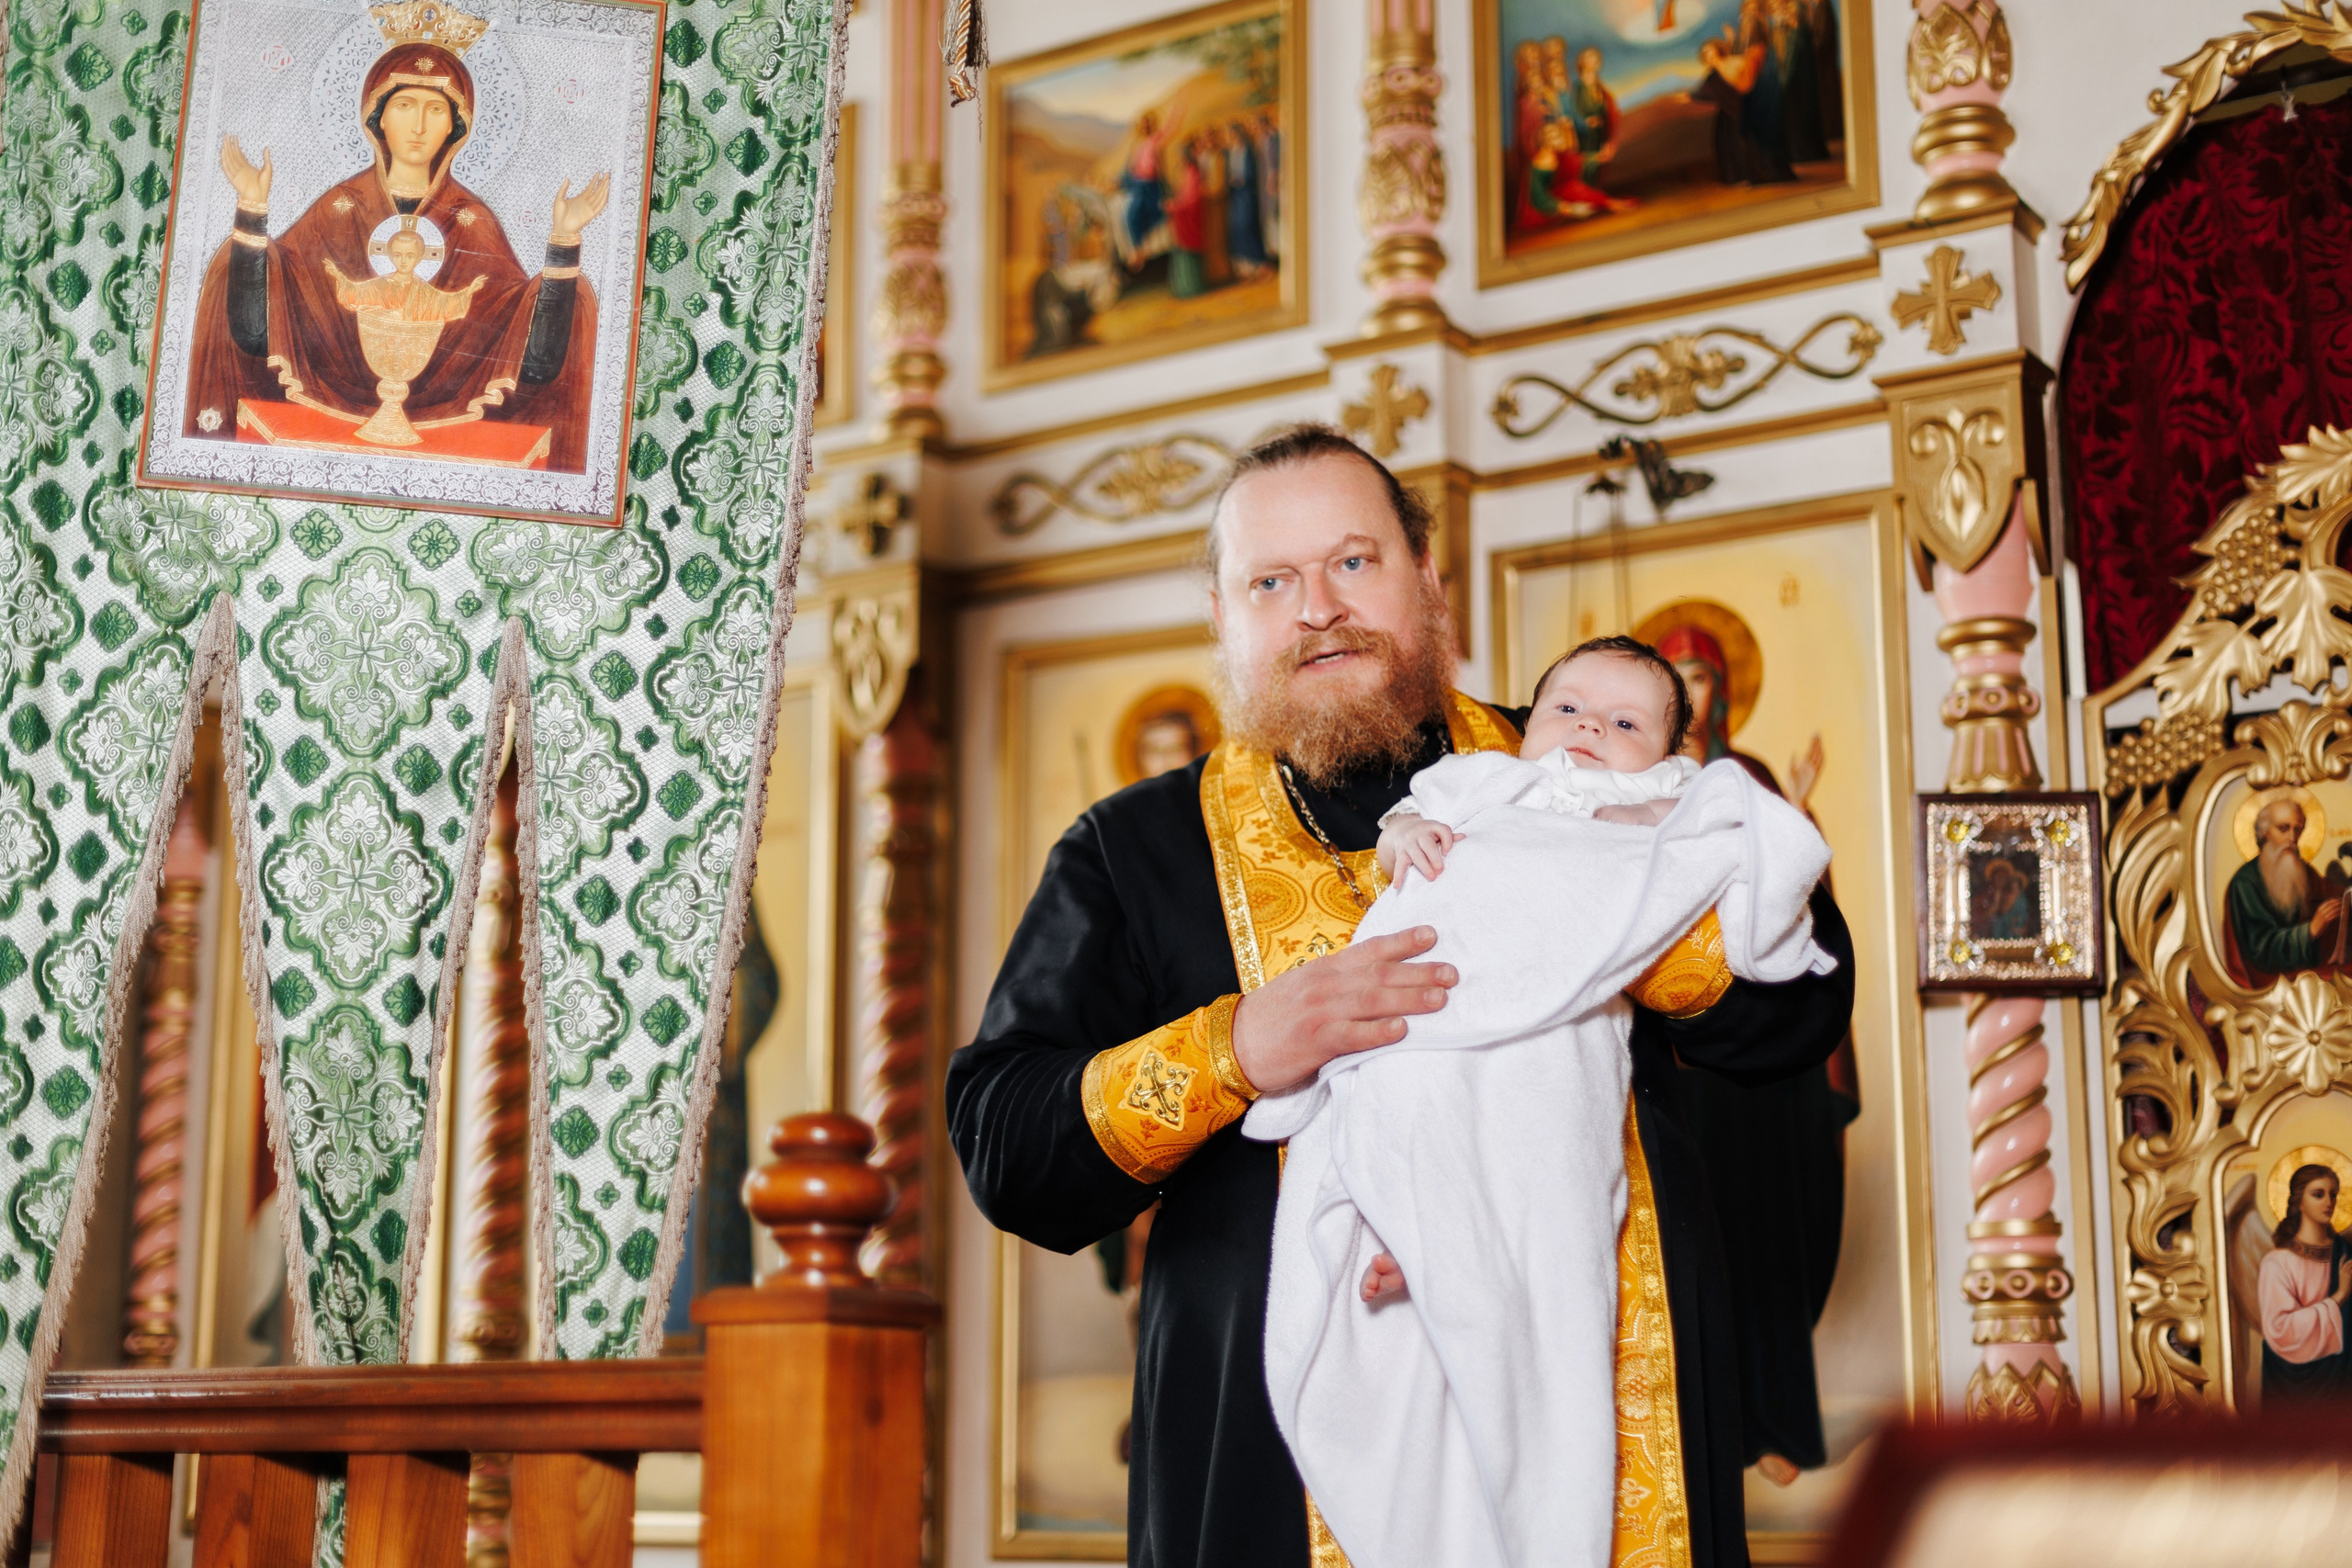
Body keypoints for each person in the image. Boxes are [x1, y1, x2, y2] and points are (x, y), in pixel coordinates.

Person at [947, 423, 1857, 1568]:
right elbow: (1004, 1145)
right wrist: (1238, 1048)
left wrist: (1601, 904)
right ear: (1225, 623)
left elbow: (1797, 1012)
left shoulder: (1593, 775)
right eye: (1270, 581)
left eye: (1353, 563)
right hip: (1269, 1469)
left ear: (1428, 584)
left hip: (1592, 1375)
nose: (1316, 607)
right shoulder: (1132, 850)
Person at [1242, 636, 1831, 1567]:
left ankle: (1535, 1511)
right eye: (1566, 710)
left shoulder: (1664, 803)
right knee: (1396, 1140)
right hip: (1423, 1036)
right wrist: (1406, 837)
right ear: (1530, 724)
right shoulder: (1480, 782)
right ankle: (1405, 1231)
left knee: (1539, 1251)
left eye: (1624, 722)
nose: (1589, 729)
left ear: (1671, 756)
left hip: (1546, 1052)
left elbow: (1749, 852)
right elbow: (1410, 822)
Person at [184, 22, 608, 468]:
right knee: (232, 255)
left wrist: (564, 241)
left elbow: (535, 362)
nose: (420, 125)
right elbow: (255, 333)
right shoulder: (337, 209)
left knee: (576, 293)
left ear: (456, 126)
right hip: (319, 417)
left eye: (436, 109)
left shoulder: (472, 221)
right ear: (378, 117)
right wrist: (252, 210)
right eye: (404, 105)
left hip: (446, 429)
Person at [1660, 618, 1855, 1484]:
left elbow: (1804, 898)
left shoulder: (1751, 781)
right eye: (1674, 677)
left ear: (1722, 689)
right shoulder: (1643, 789)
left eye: (1700, 676)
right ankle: (1712, 1428)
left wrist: (1801, 815)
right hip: (1682, 1058)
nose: (1690, 693)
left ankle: (1773, 1421)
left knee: (1767, 1229)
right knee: (1700, 1237)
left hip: (1764, 1056)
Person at [2226, 796, 2346, 983]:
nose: (2292, 838)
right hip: (2270, 982)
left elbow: (2331, 892)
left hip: (2307, 973)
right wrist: (2310, 931)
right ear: (2264, 832)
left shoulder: (2302, 871)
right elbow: (2260, 950)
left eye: (2297, 829)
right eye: (2283, 828)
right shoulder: (2245, 883)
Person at [2260, 1162, 2352, 1401]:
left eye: (2333, 1195)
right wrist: (2339, 1297)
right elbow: (2280, 1328)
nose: (2329, 1202)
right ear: (2299, 1200)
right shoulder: (2276, 1263)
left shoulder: (2345, 1254)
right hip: (2289, 1386)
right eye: (2318, 1195)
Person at [1691, 38, 1794, 186]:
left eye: (1710, 50)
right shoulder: (1712, 75)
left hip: (1745, 109)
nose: (1708, 54)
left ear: (1718, 49)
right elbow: (1703, 93)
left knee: (1748, 140)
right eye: (1705, 53)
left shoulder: (1735, 62)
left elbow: (1749, 83)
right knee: (1726, 141)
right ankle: (1737, 176)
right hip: (1728, 113)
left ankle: (1755, 175)